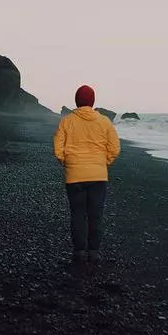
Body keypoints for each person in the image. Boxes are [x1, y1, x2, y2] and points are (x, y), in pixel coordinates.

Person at [53, 85, 121, 265]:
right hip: (98, 176)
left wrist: (66, 162)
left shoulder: (66, 121)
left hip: (74, 175)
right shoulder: (105, 121)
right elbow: (114, 148)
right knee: (95, 215)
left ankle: (79, 252)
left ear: (77, 101)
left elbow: (58, 147)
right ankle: (94, 252)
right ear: (92, 101)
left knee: (77, 214)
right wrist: (103, 162)